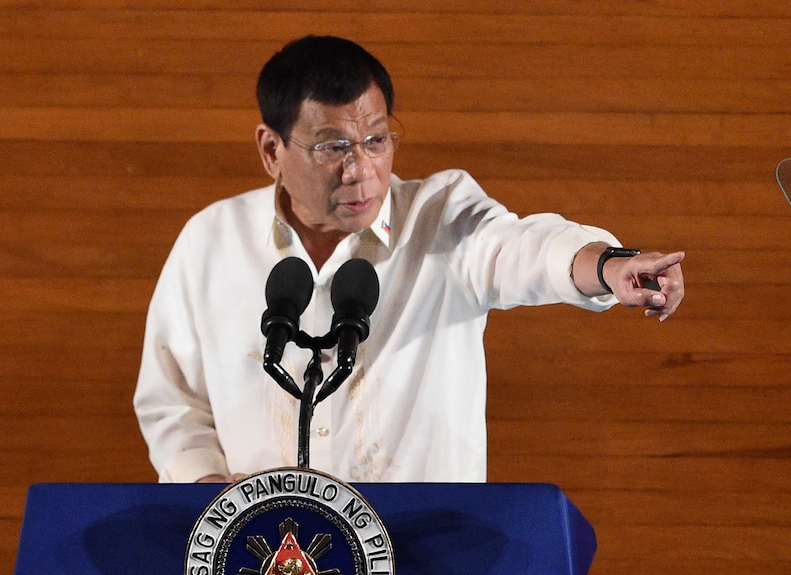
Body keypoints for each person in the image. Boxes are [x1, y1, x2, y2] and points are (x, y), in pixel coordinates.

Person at [133, 35, 685, 484]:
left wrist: (608, 265)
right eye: (332, 147)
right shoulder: (211, 240)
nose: (361, 170)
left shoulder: (440, 216)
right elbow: (172, 401)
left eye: (376, 140)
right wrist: (205, 489)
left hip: (423, 548)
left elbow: (522, 248)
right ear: (271, 150)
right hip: (267, 551)